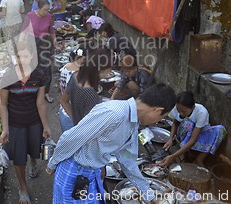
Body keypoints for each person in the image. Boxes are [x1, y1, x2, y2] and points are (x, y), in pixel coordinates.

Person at [46, 83, 177, 204]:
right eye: (161, 117)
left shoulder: (132, 122)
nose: (156, 121)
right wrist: (53, 163)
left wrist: (147, 194)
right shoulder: (114, 113)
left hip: (91, 174)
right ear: (157, 110)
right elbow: (71, 138)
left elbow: (127, 161)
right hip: (74, 172)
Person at [0, 43, 51, 204]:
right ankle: (23, 188)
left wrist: (47, 126)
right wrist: (5, 129)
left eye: (27, 56)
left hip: (34, 122)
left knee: (34, 149)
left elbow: (40, 103)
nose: (23, 60)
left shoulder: (39, 76)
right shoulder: (8, 78)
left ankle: (33, 162)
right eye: (20, 56)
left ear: (33, 57)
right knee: (19, 157)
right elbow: (3, 104)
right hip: (15, 125)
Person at [160, 91, 227, 168]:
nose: (181, 113)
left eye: (184, 111)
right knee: (187, 123)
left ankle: (199, 159)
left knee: (220, 130)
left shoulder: (201, 112)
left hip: (199, 135)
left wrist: (172, 156)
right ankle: (183, 154)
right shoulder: (176, 108)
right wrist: (170, 139)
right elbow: (175, 123)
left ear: (192, 107)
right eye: (179, 111)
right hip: (184, 134)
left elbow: (193, 140)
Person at [60, 47, 114, 126]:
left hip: (68, 121)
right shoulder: (90, 94)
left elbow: (63, 101)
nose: (108, 74)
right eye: (109, 70)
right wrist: (78, 124)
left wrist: (75, 121)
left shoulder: (75, 75)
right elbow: (92, 125)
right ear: (100, 70)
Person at [21, 0, 60, 103]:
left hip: (44, 44)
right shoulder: (30, 16)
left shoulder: (48, 16)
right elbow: (23, 32)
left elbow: (51, 30)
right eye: (45, 10)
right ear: (38, 8)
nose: (47, 12)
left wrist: (55, 42)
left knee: (46, 68)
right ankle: (34, 92)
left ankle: (46, 92)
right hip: (31, 43)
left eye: (48, 10)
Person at [58, 44, 91, 132]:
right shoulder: (78, 75)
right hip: (73, 114)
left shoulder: (66, 67)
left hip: (63, 112)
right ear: (84, 58)